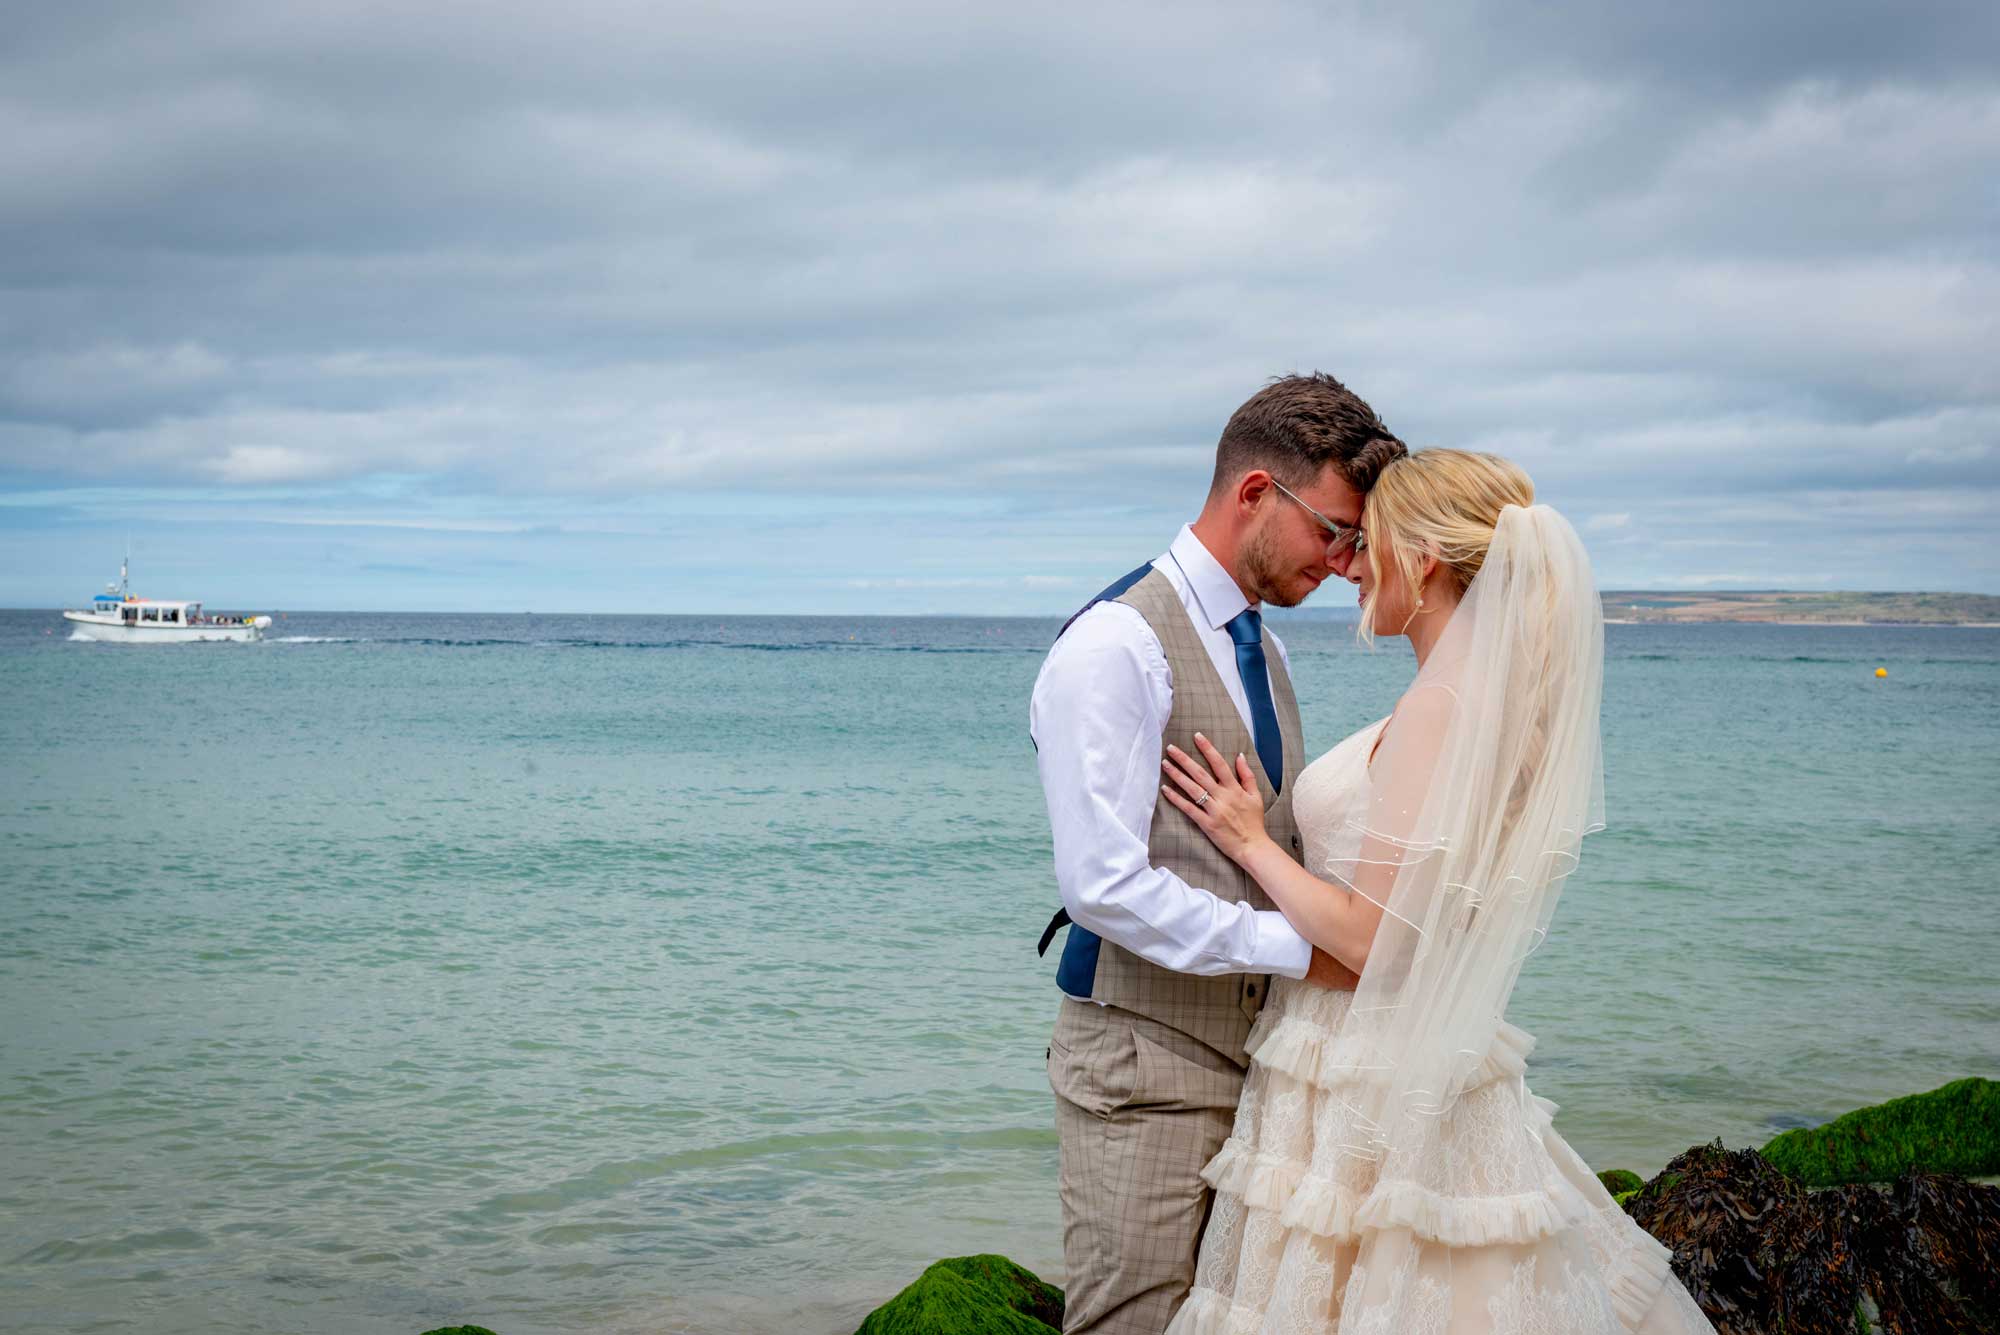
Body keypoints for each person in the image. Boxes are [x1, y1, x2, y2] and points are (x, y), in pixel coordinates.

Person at [1156, 450, 1714, 1333]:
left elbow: (1374, 938)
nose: (1347, 565)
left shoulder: (1442, 702)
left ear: (1418, 558)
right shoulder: (1484, 699)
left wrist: (1249, 840)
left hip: (1361, 1055)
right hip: (1417, 1046)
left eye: (1364, 542)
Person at [1031, 373, 1407, 1335]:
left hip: (1262, 1068)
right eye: (1333, 530)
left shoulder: (1263, 649)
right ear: (1254, 494)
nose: (1342, 560)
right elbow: (1103, 884)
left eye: (1354, 541)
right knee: (1134, 1322)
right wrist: (1299, 950)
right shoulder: (1115, 644)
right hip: (1144, 1070)